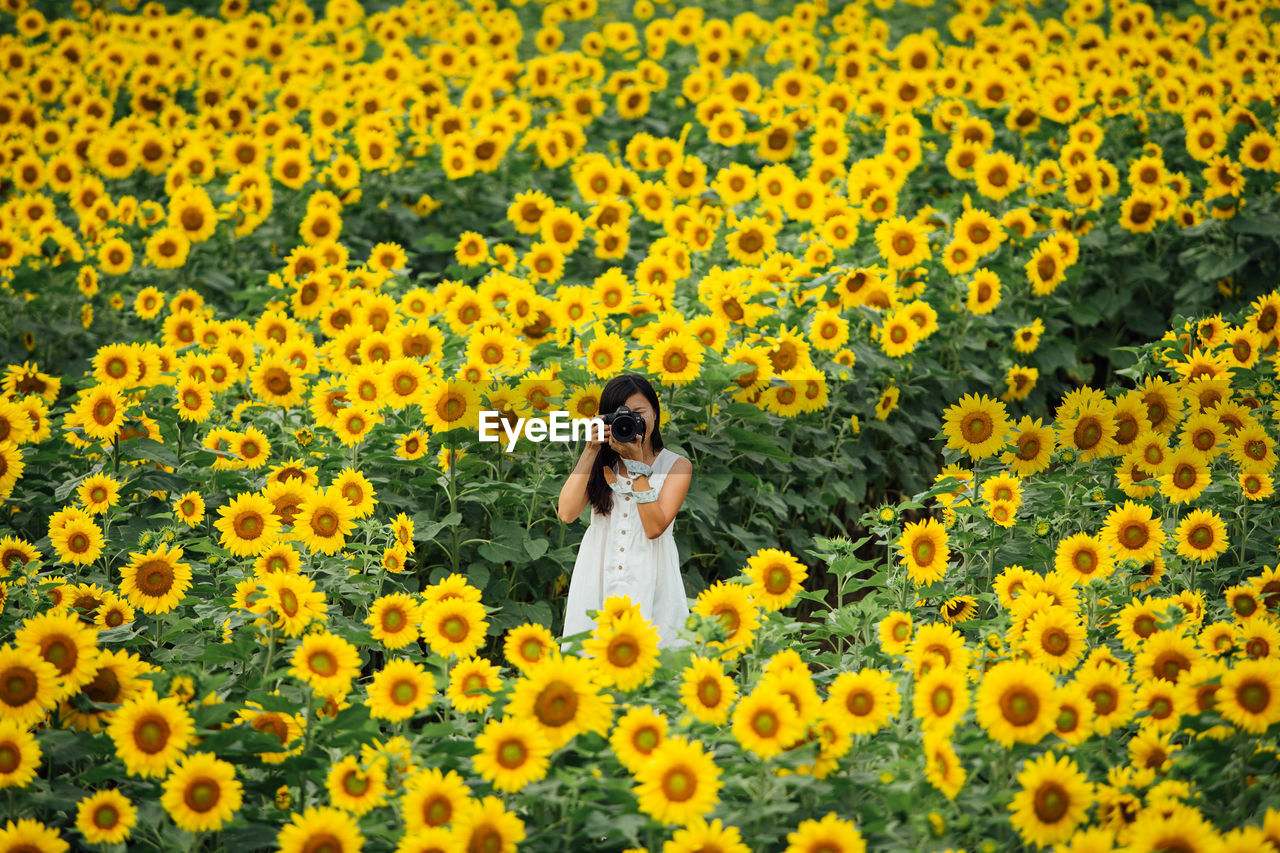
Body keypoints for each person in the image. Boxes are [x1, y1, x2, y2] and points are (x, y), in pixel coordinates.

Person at [557, 374, 692, 649]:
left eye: (639, 413)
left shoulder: (677, 466)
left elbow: (654, 528)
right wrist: (590, 450)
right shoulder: (599, 461)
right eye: (620, 415)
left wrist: (637, 465)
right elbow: (566, 513)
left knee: (654, 664)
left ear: (656, 413)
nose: (631, 421)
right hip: (596, 573)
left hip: (652, 575)